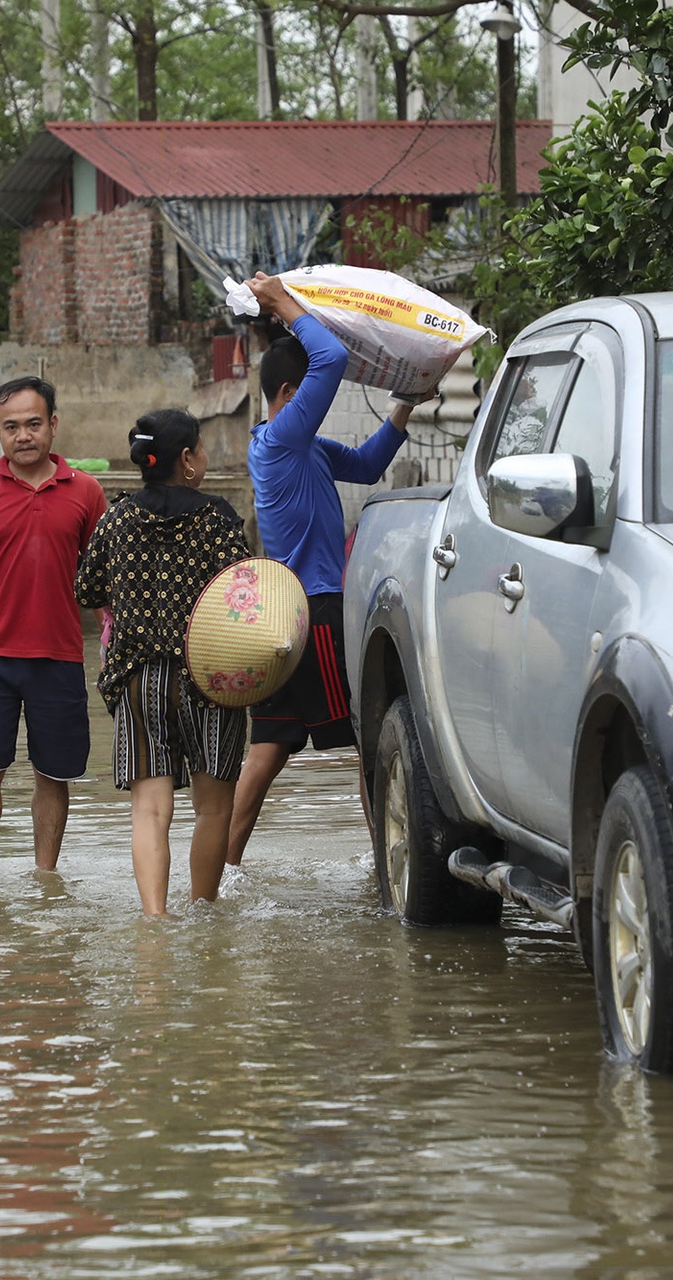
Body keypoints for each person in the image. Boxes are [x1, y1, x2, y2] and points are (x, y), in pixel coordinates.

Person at [226, 272, 414, 868]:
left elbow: (365, 465)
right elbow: (329, 355)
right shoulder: (282, 439)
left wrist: (404, 405)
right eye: (309, 393)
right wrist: (283, 305)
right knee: (364, 738)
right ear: (289, 394)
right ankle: (388, 869)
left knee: (271, 746)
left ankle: (219, 873)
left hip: (284, 611)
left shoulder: (294, 445)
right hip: (317, 609)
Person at [74, 409, 252, 916]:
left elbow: (86, 588)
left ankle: (154, 920)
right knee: (213, 807)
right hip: (210, 678)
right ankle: (202, 911)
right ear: (188, 459)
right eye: (202, 447)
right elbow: (247, 598)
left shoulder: (118, 518)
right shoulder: (217, 519)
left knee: (150, 810)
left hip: (138, 680)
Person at [0, 375, 107, 877]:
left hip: (59, 656)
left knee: (53, 775)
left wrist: (112, 640)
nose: (23, 435)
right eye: (11, 426)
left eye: (33, 424)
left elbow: (105, 577)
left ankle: (45, 878)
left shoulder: (86, 492)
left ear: (53, 425)